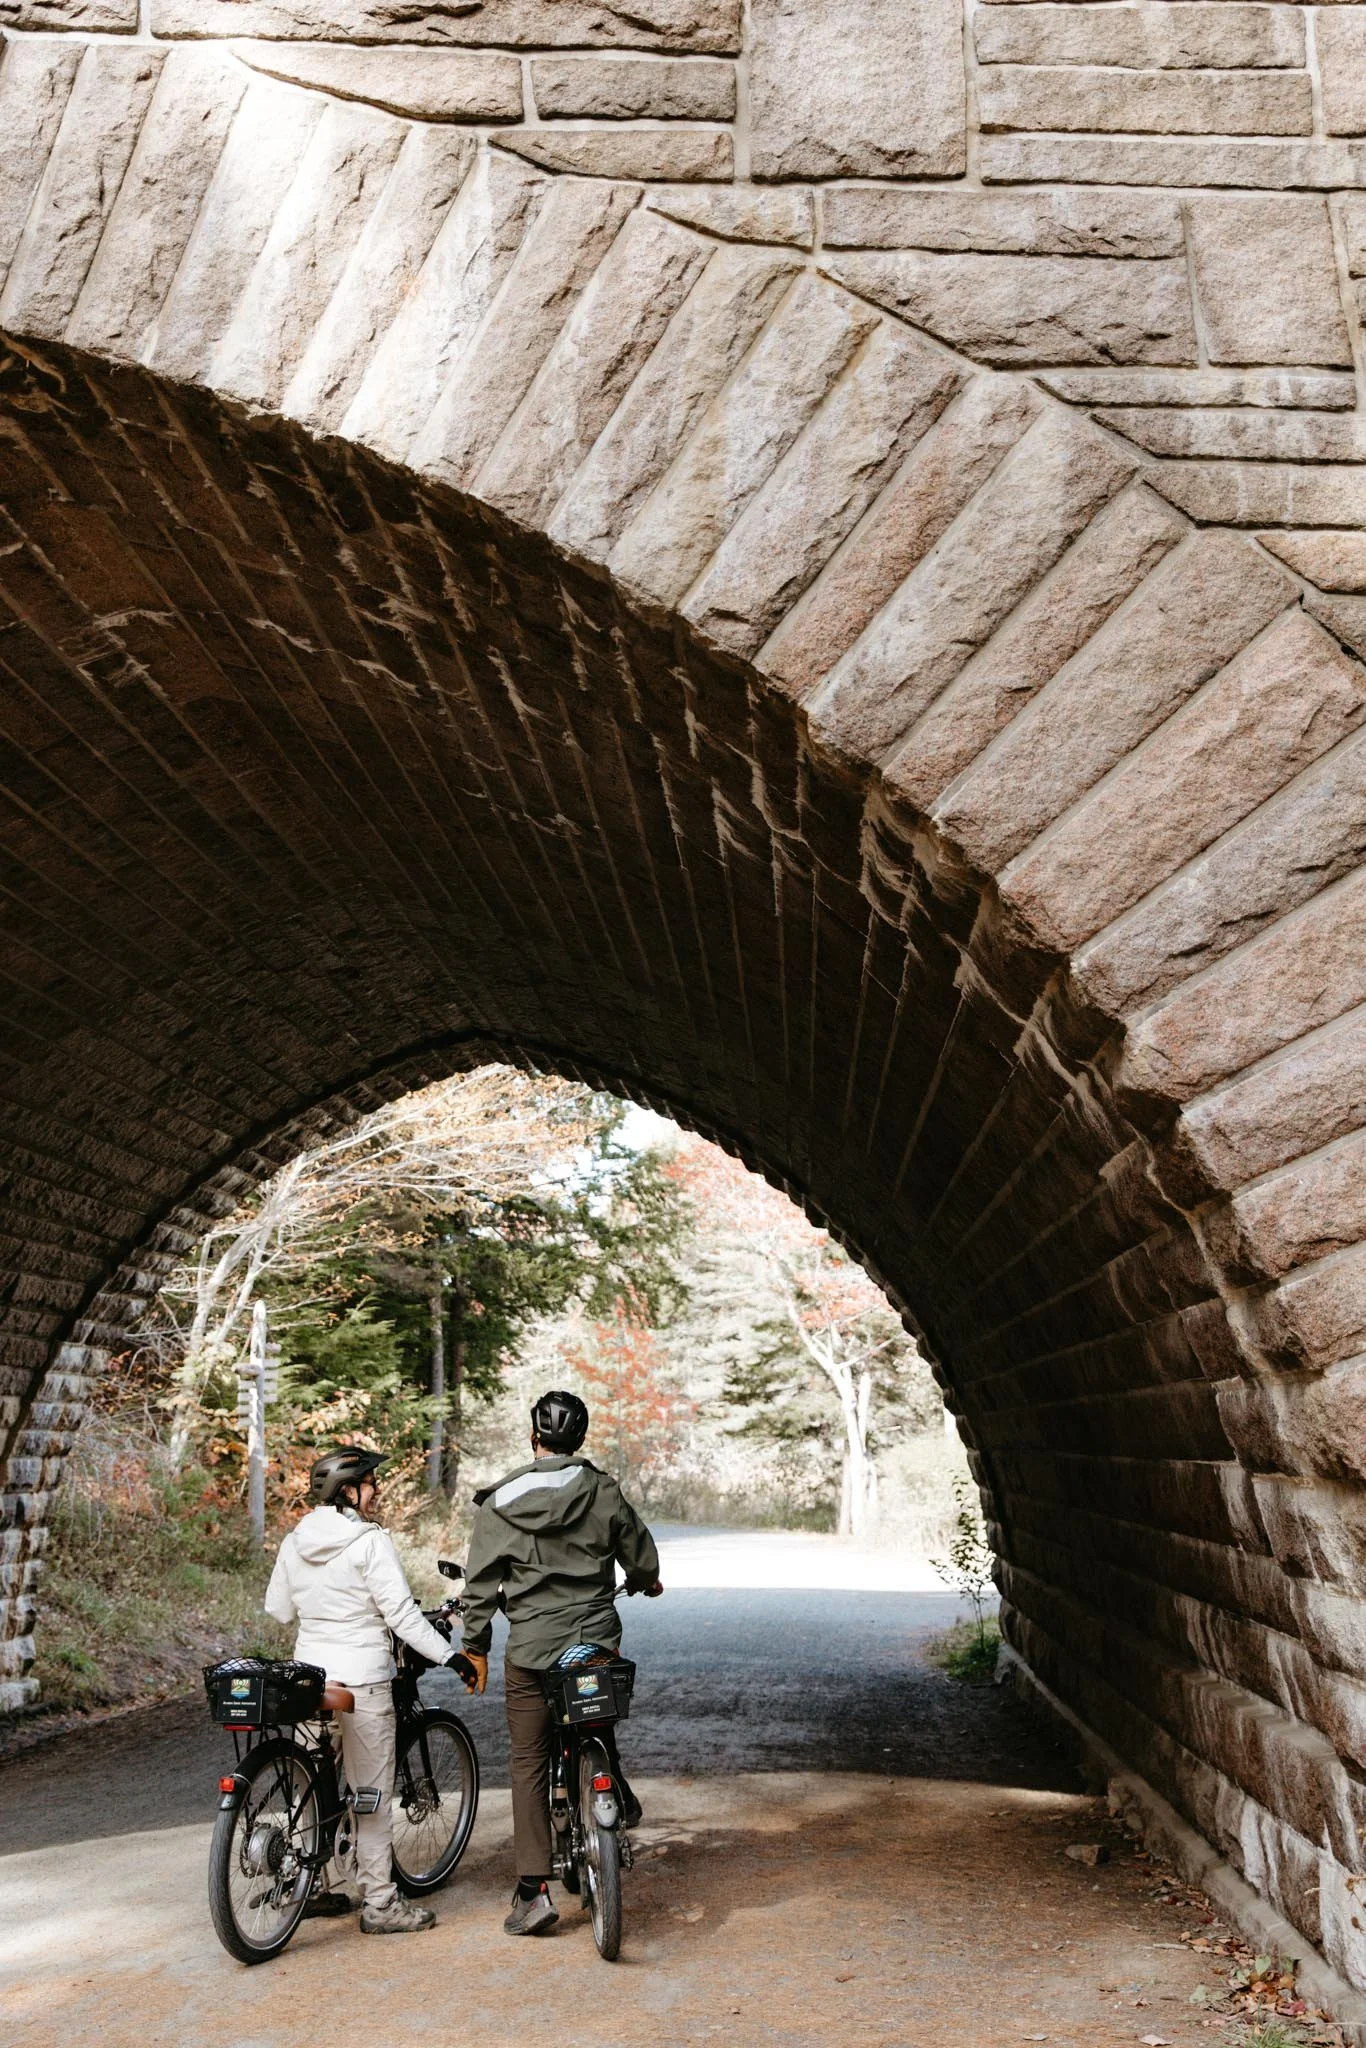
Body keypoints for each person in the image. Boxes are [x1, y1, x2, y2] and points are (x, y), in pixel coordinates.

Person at [460, 1389, 663, 1937]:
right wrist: (646, 1580)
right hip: (593, 1642)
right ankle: (612, 1786)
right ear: (580, 1439)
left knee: (529, 1759)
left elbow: (479, 1588)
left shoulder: (499, 1502)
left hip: (532, 1651)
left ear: (534, 1438)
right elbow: (641, 1558)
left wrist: (474, 1646)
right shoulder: (602, 1489)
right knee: (593, 1703)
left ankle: (533, 1891)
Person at [264, 1444, 476, 1936]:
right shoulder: (370, 1541)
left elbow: (278, 1609)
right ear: (349, 1492)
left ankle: (306, 1887)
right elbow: (401, 1616)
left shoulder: (295, 1540)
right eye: (369, 1483)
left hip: (311, 1680)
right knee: (371, 1796)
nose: (375, 1491)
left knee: (310, 1787)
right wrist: (450, 1656)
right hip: (362, 1680)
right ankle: (380, 1903)